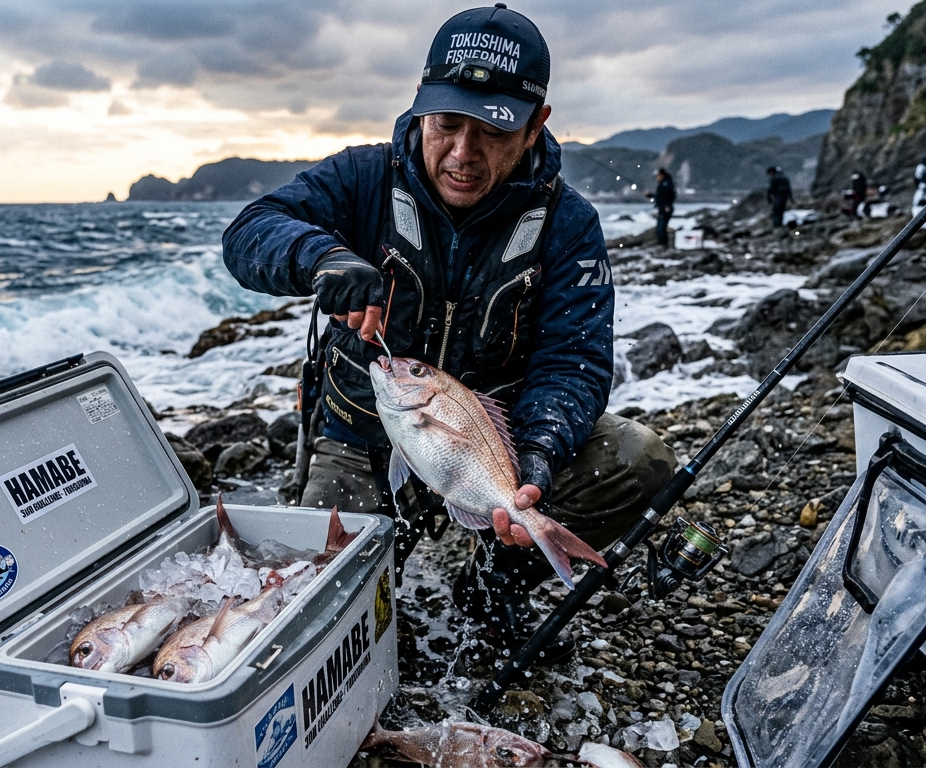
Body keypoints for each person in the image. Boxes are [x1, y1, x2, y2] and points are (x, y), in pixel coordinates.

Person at [222, 5, 675, 658]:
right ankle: (380, 577)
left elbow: (574, 361)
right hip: (362, 435)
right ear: (419, 106)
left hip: (494, 442)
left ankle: (495, 580)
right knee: (320, 607)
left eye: (491, 131)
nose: (462, 154)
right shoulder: (361, 179)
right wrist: (323, 258)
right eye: (447, 125)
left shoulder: (567, 223)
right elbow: (249, 232)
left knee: (640, 461)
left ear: (535, 125)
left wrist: (534, 467)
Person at [646, 168, 676, 246]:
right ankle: (662, 244)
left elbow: (668, 196)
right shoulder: (664, 183)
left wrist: (666, 205)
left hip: (665, 209)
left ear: (662, 175)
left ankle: (663, 244)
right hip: (662, 208)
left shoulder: (666, 184)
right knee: (660, 228)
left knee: (661, 229)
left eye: (658, 176)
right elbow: (659, 197)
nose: (657, 178)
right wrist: (650, 195)